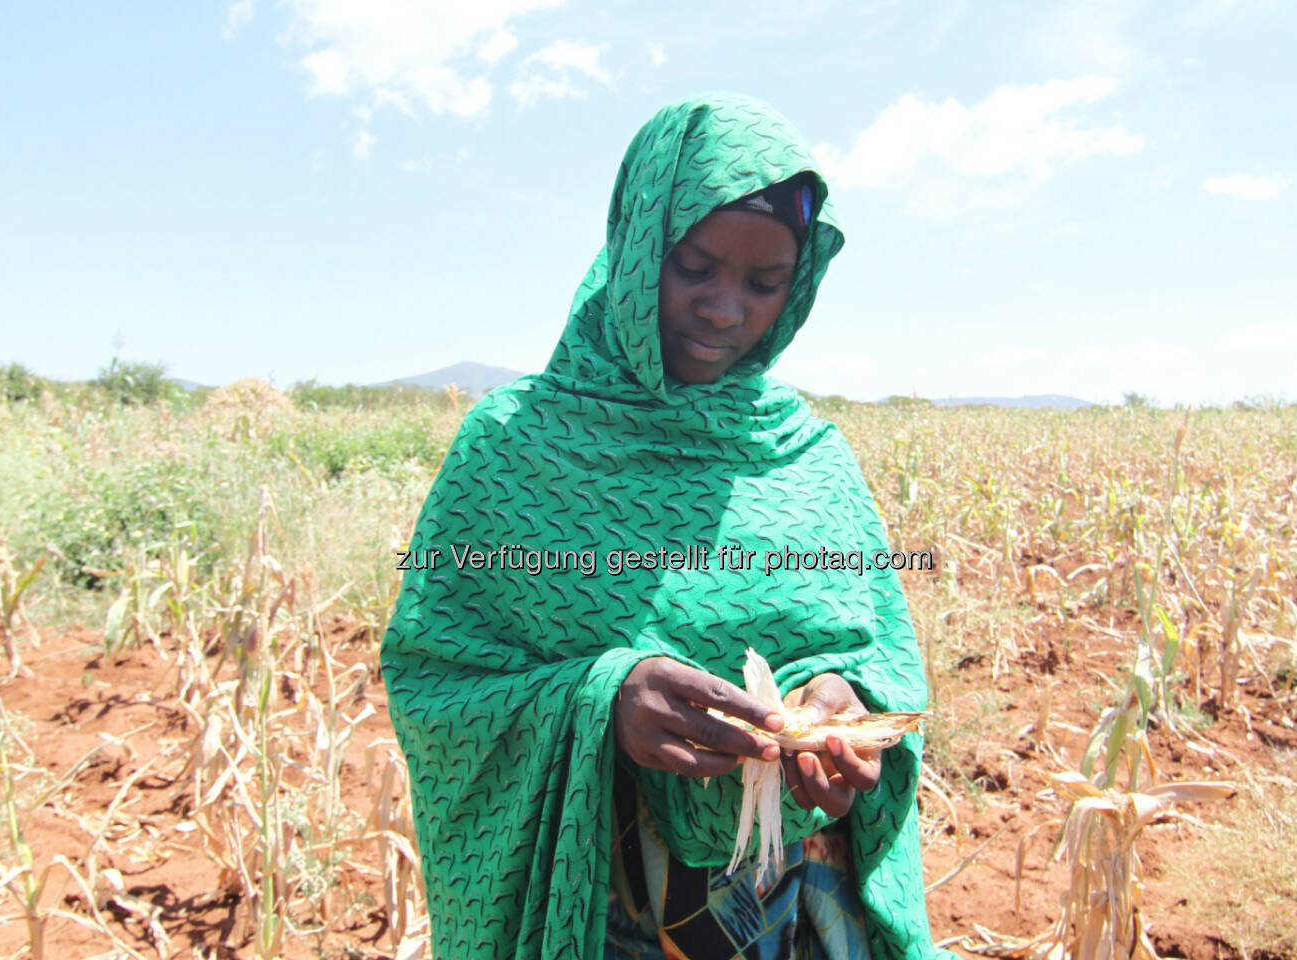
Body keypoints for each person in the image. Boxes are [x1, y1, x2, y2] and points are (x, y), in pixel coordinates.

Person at [381, 93, 952, 960]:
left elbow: (879, 659)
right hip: (602, 908)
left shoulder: (809, 456)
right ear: (638, 244)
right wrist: (603, 699)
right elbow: (436, 679)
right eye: (695, 268)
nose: (727, 309)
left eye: (765, 284)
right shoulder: (515, 446)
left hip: (801, 902)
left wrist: (843, 709)